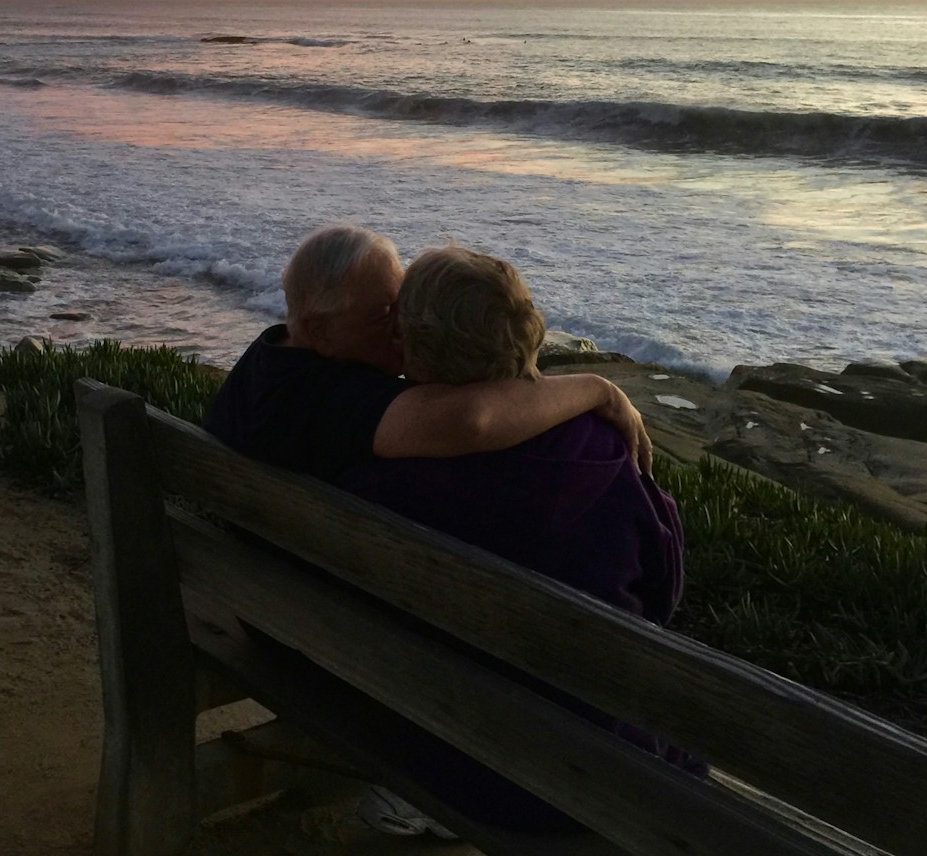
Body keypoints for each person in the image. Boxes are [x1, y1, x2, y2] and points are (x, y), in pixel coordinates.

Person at [336, 245, 701, 832]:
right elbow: (664, 591)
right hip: (590, 770)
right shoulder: (606, 452)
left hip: (430, 746)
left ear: (415, 346)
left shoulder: (380, 468)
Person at [204, 226, 652, 478]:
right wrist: (600, 390)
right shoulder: (339, 400)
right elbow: (471, 420)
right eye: (385, 313)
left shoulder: (267, 358)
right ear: (320, 329)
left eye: (404, 304)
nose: (405, 325)